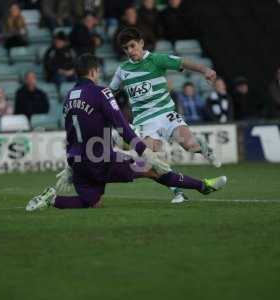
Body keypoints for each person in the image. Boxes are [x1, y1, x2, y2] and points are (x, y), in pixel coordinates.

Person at [25, 54, 227, 211]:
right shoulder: (101, 92)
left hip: (78, 161)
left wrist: (71, 163)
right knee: (152, 169)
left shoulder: (69, 96)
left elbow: (70, 132)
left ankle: (52, 198)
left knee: (91, 203)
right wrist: (144, 152)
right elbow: (122, 127)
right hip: (101, 160)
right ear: (94, 71)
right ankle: (203, 186)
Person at [109, 27, 220, 204]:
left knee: (189, 145)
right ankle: (178, 192)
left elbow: (182, 62)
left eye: (132, 46)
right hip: (145, 122)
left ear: (141, 43)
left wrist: (205, 70)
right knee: (154, 162)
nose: (130, 51)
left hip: (166, 114)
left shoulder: (156, 59)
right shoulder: (123, 70)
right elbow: (110, 92)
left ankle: (202, 148)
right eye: (126, 48)